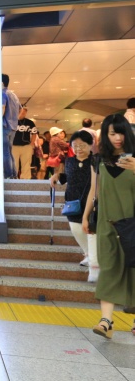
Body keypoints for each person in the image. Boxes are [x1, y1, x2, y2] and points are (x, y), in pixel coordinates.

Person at [82, 113, 135, 339]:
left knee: (133, 271)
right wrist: (85, 216)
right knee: (109, 269)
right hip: (106, 223)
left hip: (132, 223)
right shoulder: (99, 160)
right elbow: (94, 190)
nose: (117, 138)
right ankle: (106, 320)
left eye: (121, 132)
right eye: (113, 133)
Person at [50, 131, 97, 280]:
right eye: (75, 146)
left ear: (91, 145)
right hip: (72, 201)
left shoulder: (96, 161)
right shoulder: (69, 161)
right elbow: (67, 177)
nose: (78, 149)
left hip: (91, 201)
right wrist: (57, 176)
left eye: (82, 145)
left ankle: (93, 260)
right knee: (76, 230)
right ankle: (89, 254)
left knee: (90, 231)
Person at [2, 74, 21, 179]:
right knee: (9, 152)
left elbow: (2, 107)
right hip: (13, 127)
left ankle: (8, 174)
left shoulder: (2, 93)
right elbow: (20, 109)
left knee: (5, 152)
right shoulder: (13, 95)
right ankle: (13, 174)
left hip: (4, 126)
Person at [12, 107, 38, 179]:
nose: (22, 114)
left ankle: (25, 179)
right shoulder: (12, 121)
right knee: (14, 163)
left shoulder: (30, 122)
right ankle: (14, 178)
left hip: (26, 146)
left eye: (24, 113)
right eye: (21, 112)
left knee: (26, 163)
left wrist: (31, 144)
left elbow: (34, 133)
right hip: (14, 146)